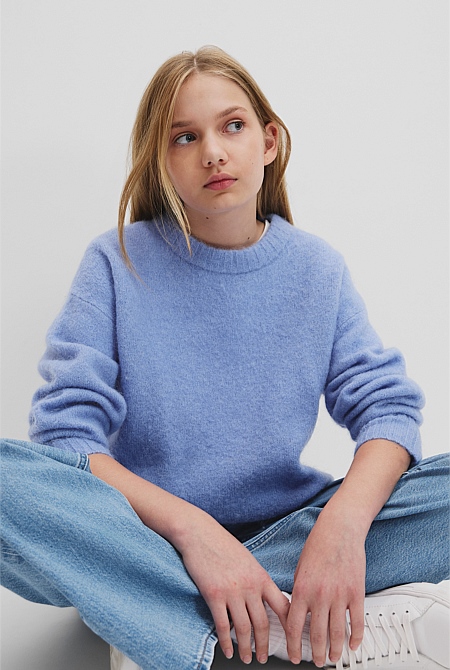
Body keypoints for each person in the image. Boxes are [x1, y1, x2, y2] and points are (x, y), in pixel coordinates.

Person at [1, 45, 448, 670]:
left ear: (268, 141)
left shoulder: (316, 269)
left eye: (232, 126)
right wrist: (195, 534)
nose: (212, 151)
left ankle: (165, 619)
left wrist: (341, 531)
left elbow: (388, 410)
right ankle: (274, 623)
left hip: (291, 529)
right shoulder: (115, 261)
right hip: (146, 536)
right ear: (161, 162)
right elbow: (66, 441)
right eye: (184, 137)